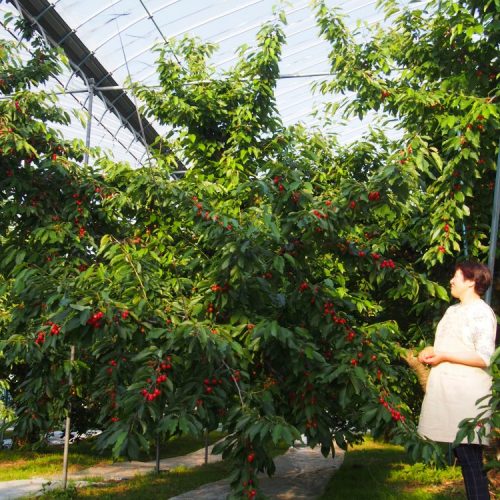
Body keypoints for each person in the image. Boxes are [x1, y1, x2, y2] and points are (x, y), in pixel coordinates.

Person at [418, 261, 496, 500]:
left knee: (470, 457)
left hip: (468, 395)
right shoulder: (453, 310)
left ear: (472, 281)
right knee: (464, 456)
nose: (451, 280)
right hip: (450, 391)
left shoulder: (482, 313)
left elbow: (484, 357)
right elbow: (448, 345)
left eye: (456, 276)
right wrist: (430, 350)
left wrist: (444, 356)